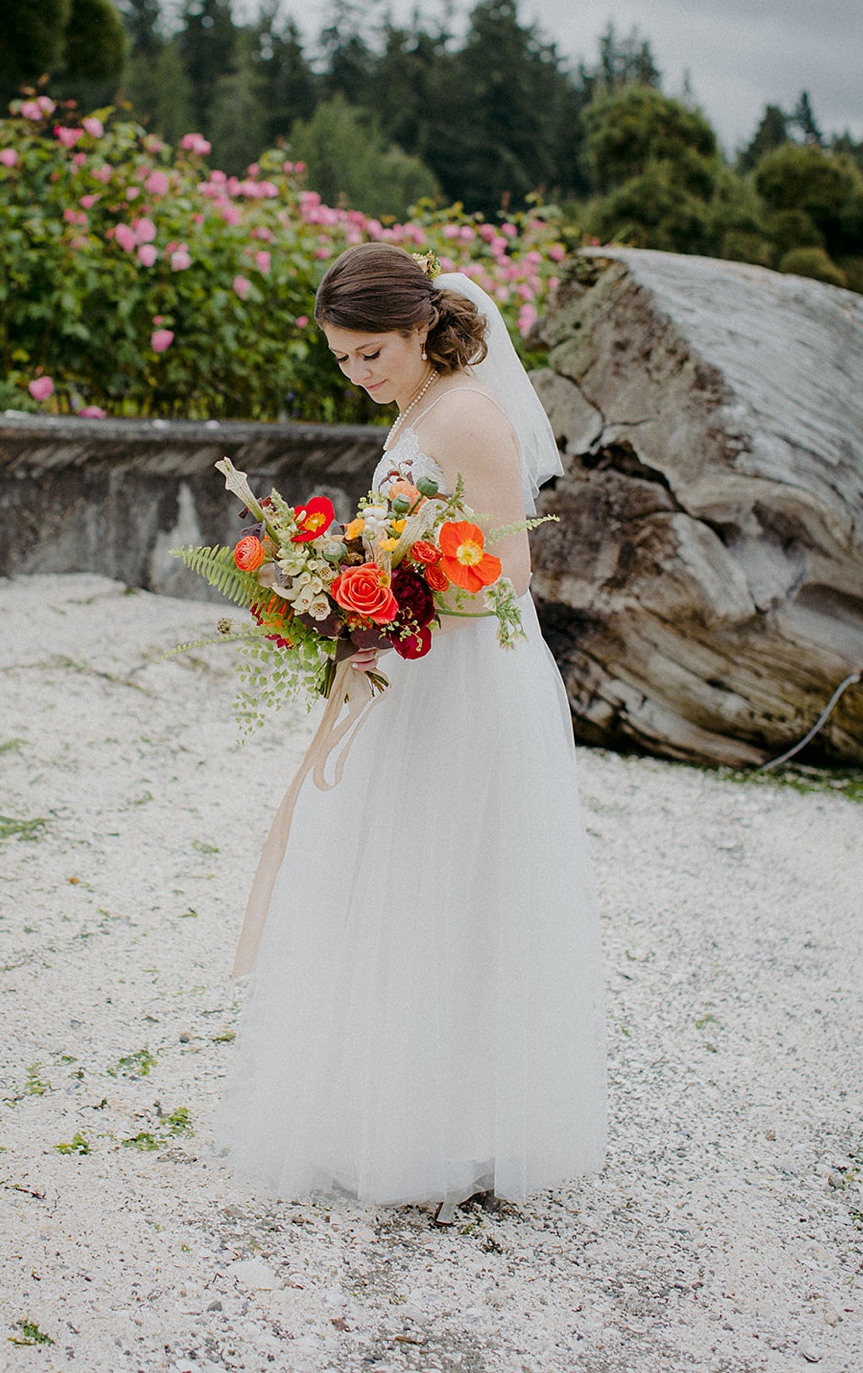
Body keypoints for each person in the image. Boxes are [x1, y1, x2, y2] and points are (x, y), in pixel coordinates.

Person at [212, 242, 606, 1221]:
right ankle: (383, 1111)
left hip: (470, 677)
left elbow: (509, 574)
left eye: (370, 355)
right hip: (414, 665)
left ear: (423, 327)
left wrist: (393, 600)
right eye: (342, 359)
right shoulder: (416, 406)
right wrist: (347, 597)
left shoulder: (472, 415)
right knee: (387, 881)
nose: (357, 375)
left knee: (454, 885)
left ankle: (459, 1122)